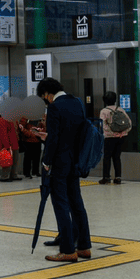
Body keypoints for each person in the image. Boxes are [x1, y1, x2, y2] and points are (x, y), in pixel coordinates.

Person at [37, 77, 91, 263]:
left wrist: (46, 162)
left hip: (59, 164)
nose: (46, 101)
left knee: (61, 204)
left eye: (44, 97)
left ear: (47, 94)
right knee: (77, 204)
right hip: (75, 161)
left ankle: (68, 250)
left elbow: (53, 139)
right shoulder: (76, 103)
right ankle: (84, 247)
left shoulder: (55, 107)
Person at [99, 91, 131, 185]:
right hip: (121, 137)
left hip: (109, 138)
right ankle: (118, 177)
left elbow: (103, 125)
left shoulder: (104, 111)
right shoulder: (121, 110)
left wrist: (110, 133)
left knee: (107, 157)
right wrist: (123, 133)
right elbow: (129, 123)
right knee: (117, 157)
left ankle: (106, 177)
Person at [0, 116, 22, 182]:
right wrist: (7, 145)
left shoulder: (14, 119)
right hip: (8, 143)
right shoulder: (3, 119)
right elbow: (3, 133)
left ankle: (13, 174)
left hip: (14, 142)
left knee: (15, 160)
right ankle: (5, 176)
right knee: (7, 160)